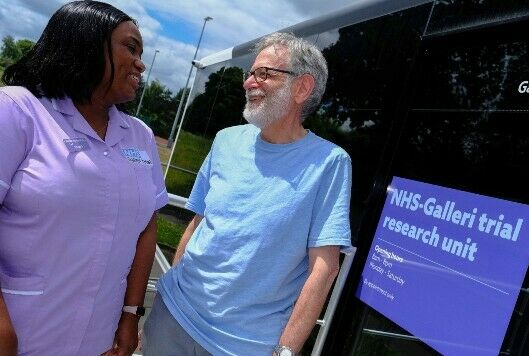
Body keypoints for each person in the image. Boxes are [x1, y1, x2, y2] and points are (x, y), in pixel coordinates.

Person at [143, 32, 352, 356]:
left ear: (302, 87)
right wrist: (172, 292)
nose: (249, 82)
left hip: (242, 347)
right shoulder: (225, 140)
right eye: (250, 73)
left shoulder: (330, 163)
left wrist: (286, 350)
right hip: (173, 319)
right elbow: (198, 222)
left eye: (264, 73)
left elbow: (324, 269)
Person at [0, 1, 168, 355]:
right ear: (85, 43)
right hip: (20, 331)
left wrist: (129, 314)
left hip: (97, 338)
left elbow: (146, 226)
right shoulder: (18, 111)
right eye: (131, 47)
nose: (141, 63)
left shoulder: (139, 136)